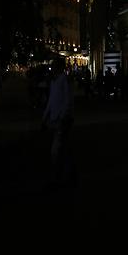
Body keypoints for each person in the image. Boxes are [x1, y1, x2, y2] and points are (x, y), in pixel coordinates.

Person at [42, 56, 75, 186]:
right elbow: (51, 100)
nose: (52, 68)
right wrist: (45, 117)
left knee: (57, 149)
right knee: (62, 147)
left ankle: (59, 175)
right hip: (56, 118)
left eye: (54, 66)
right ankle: (66, 173)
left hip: (61, 119)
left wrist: (62, 116)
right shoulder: (55, 81)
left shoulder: (63, 80)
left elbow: (67, 100)